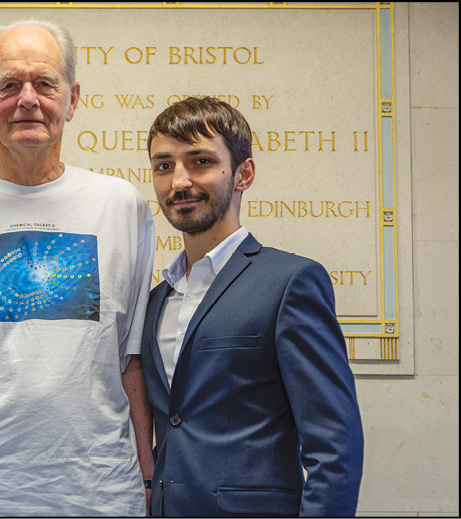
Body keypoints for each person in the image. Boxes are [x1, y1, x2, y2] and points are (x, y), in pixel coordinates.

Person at [0, 20, 156, 516]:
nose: (27, 99)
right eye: (8, 85)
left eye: (45, 83)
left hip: (97, 490)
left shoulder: (120, 206)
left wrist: (149, 477)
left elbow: (130, 359)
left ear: (72, 98)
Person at [141, 96, 364, 516]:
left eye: (200, 161)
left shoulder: (290, 282)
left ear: (244, 173)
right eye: (164, 166)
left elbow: (334, 444)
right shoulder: (156, 300)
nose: (179, 182)